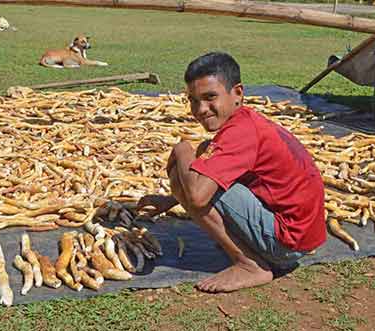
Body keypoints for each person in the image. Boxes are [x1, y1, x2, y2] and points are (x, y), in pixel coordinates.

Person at [137, 52, 326, 293]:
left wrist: (181, 149)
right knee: (204, 155)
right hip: (301, 236)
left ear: (237, 93)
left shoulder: (240, 133)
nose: (200, 109)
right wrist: (170, 200)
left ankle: (249, 264)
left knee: (186, 171)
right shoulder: (245, 122)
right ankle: (251, 247)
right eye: (193, 100)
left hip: (286, 243)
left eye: (210, 97)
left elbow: (197, 196)